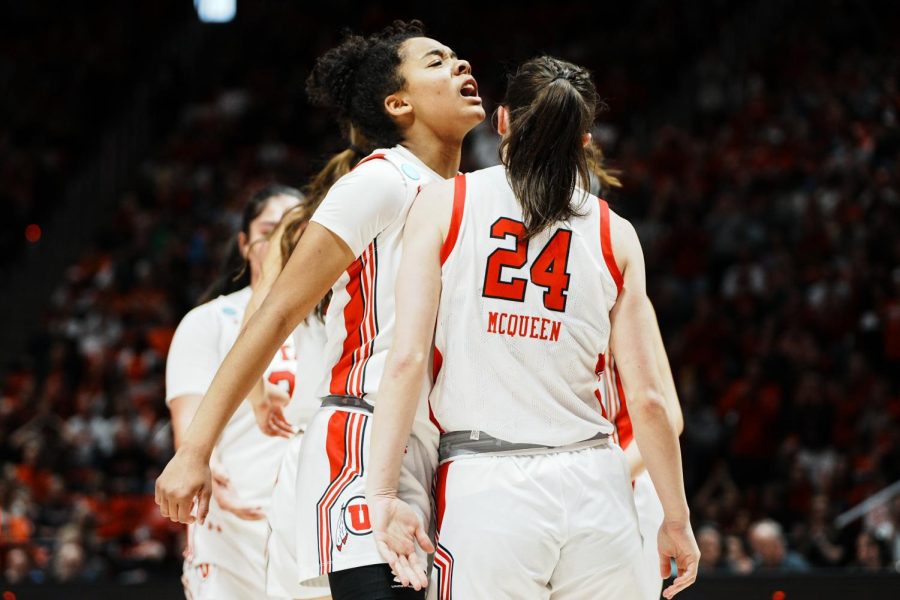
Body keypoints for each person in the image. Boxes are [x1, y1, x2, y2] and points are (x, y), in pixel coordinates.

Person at [155, 20, 486, 600]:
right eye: (436, 61)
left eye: (457, 57)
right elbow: (278, 310)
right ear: (398, 102)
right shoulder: (380, 180)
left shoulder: (477, 197)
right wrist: (195, 449)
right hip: (362, 437)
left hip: (443, 447)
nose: (460, 66)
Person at [366, 56, 699, 599]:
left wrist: (381, 492)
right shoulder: (618, 234)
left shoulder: (446, 202)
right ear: (586, 140)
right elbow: (651, 401)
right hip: (597, 486)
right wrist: (676, 518)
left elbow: (405, 361)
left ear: (501, 121)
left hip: (489, 488)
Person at [165, 184, 305, 599]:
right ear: (244, 244)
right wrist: (206, 468)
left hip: (306, 518)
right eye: (270, 229)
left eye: (295, 228)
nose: (282, 239)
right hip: (229, 521)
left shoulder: (332, 316)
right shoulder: (210, 320)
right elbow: (188, 426)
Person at [598, 308, 683, 599]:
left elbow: (669, 415)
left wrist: (613, 475)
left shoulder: (629, 301)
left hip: (624, 481)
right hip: (552, 476)